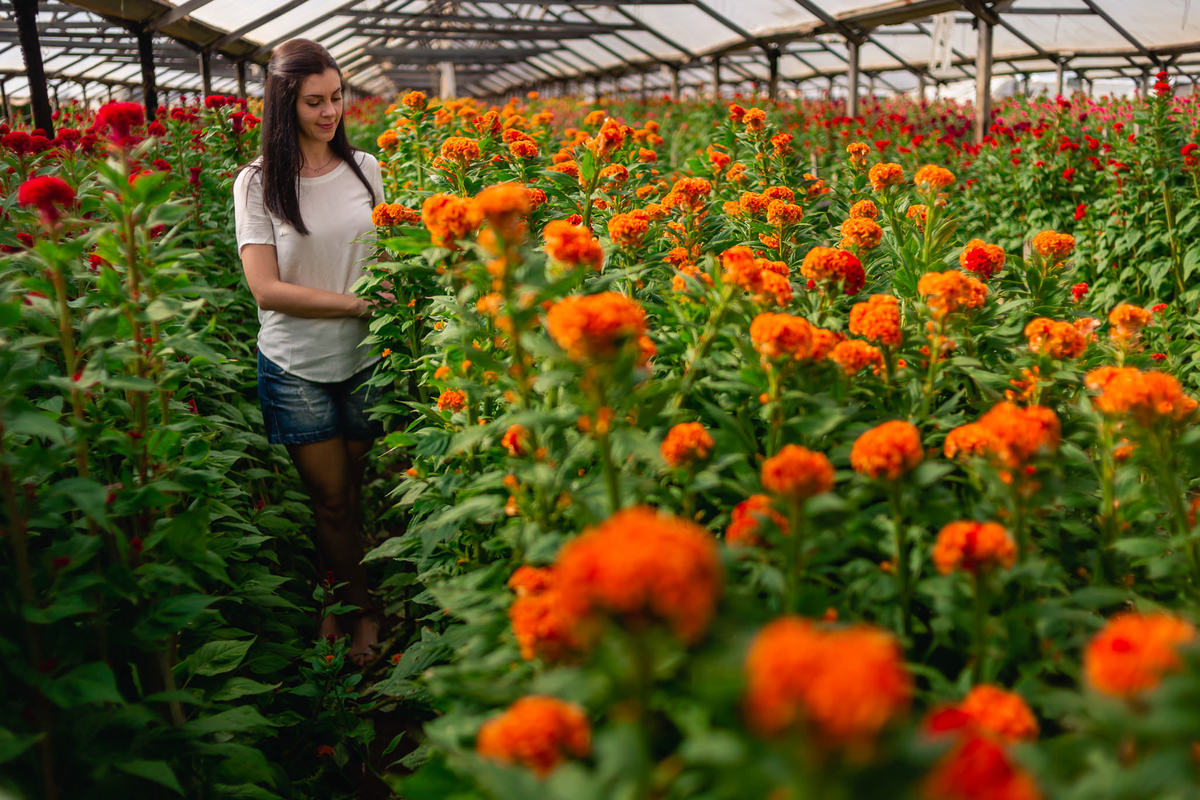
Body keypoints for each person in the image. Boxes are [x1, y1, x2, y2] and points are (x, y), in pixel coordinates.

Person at [233, 38, 389, 667]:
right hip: (298, 365)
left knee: (352, 488)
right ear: (283, 105)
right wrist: (356, 305)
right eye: (315, 102)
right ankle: (361, 610)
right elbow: (265, 289)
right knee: (330, 499)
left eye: (337, 97)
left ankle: (336, 593)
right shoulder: (257, 184)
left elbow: (387, 250)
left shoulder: (365, 168)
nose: (332, 112)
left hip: (367, 360)